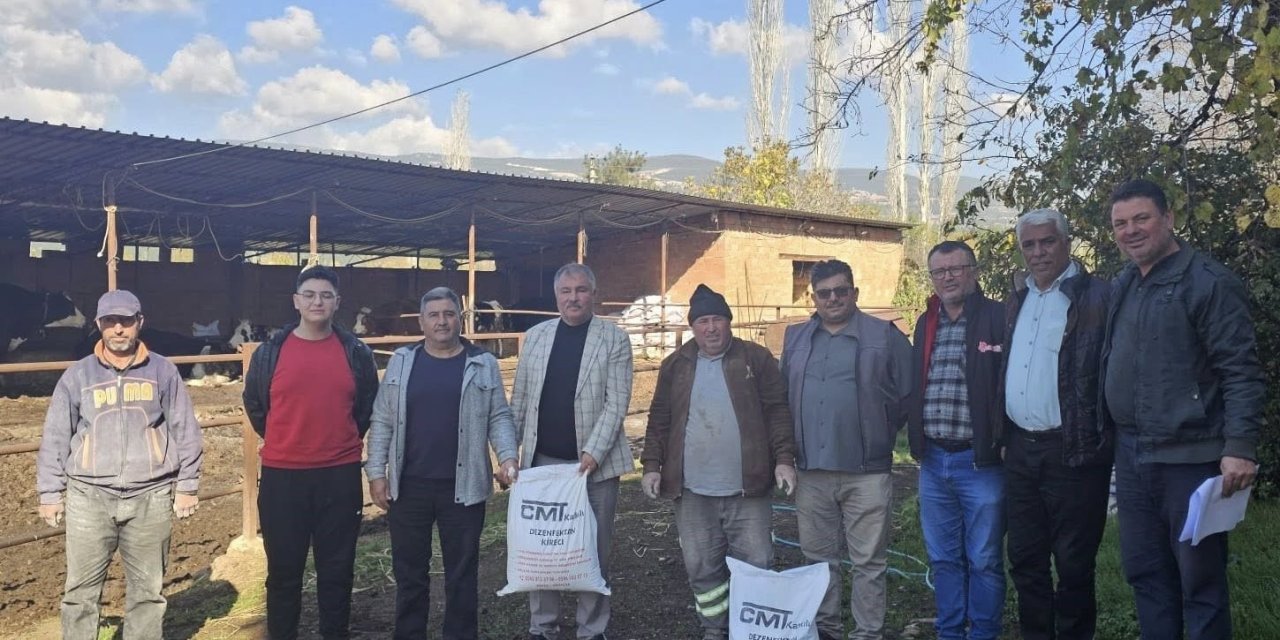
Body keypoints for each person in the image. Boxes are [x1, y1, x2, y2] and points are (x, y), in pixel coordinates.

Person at [1102, 179, 1263, 639]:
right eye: (1120, 223)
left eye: (1141, 218)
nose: (1130, 230)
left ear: (1168, 218)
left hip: (1191, 461)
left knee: (1200, 582)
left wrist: (1239, 447)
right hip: (1132, 456)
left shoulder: (1209, 283)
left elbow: (1241, 370)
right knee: (1146, 575)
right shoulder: (1126, 284)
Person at [35, 289, 203, 639]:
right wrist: (50, 491)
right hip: (89, 497)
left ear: (139, 323)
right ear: (98, 325)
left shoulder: (163, 371)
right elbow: (56, 433)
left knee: (147, 593)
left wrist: (188, 484)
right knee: (80, 593)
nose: (119, 330)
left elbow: (184, 427)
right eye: (110, 322)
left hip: (151, 496)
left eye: (126, 321)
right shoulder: (78, 375)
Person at [641, 284, 797, 640]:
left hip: (749, 487)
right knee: (702, 567)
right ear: (693, 327)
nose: (711, 328)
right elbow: (660, 418)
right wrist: (652, 465)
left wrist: (784, 459)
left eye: (717, 320)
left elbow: (777, 412)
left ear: (730, 323)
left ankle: (752, 628)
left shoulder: (755, 359)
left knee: (756, 564)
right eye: (703, 321)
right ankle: (715, 628)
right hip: (693, 491)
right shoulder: (676, 365)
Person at [365, 287, 519, 640]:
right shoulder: (402, 361)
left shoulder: (482, 363)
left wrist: (507, 456)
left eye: (449, 314)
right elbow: (383, 419)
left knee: (462, 574)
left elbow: (499, 416)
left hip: (463, 488)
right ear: (421, 321)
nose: (441, 321)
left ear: (460, 319)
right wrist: (376, 473)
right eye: (433, 315)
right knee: (409, 573)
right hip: (409, 486)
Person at [243, 265, 379, 640]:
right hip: (283, 477)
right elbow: (256, 404)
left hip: (339, 475)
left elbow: (366, 406)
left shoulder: (355, 352)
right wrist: (284, 440)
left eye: (326, 295)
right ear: (296, 302)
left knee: (337, 571)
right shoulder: (270, 353)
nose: (317, 301)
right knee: (284, 572)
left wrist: (339, 441)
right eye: (310, 294)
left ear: (337, 302)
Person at [780, 260, 912, 640]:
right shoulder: (795, 338)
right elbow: (781, 396)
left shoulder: (884, 335)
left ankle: (868, 633)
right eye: (824, 293)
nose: (833, 298)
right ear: (813, 297)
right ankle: (828, 630)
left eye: (841, 291)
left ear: (855, 292)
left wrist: (881, 432)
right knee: (818, 561)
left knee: (869, 561)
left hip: (867, 473)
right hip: (812, 473)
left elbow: (907, 394)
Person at [1002, 210, 1113, 640]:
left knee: (1073, 564)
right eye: (1028, 245)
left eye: (1046, 242)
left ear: (1066, 243)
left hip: (1074, 450)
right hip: (1021, 450)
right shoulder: (1017, 297)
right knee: (1025, 559)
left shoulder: (1098, 297)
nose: (1037, 252)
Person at [510, 263, 633, 640]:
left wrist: (593, 451)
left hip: (592, 467)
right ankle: (542, 626)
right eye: (566, 291)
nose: (573, 297)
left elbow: (617, 402)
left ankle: (591, 628)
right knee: (540, 547)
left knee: (594, 549)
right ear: (556, 296)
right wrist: (509, 452)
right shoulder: (535, 337)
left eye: (581, 290)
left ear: (593, 294)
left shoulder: (613, 339)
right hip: (541, 466)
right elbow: (521, 398)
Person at [906, 241, 1007, 640]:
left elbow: (1006, 385)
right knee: (943, 558)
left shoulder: (998, 317)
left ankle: (982, 633)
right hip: (933, 461)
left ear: (974, 272)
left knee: (983, 559)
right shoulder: (925, 321)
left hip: (980, 462)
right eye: (938, 271)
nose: (947, 277)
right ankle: (949, 632)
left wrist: (1003, 438)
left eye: (955, 268)